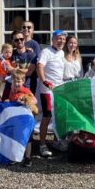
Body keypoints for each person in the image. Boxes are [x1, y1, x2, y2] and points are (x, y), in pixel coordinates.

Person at [36, 29, 67, 157]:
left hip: (59, 89)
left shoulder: (61, 53)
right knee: (47, 116)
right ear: (53, 39)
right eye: (59, 38)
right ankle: (42, 144)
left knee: (58, 116)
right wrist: (44, 81)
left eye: (63, 39)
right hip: (47, 90)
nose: (61, 41)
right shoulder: (46, 51)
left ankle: (56, 141)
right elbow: (39, 66)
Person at [5, 69, 38, 167]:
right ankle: (15, 156)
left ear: (23, 81)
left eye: (19, 81)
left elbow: (35, 100)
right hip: (16, 119)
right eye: (15, 81)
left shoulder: (25, 90)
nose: (17, 83)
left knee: (28, 139)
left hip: (26, 120)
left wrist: (25, 101)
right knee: (15, 137)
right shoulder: (12, 91)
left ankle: (27, 157)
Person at [1, 29, 37, 100]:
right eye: (16, 40)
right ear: (13, 41)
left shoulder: (32, 55)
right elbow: (1, 60)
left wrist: (13, 69)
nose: (19, 41)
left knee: (26, 108)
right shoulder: (10, 54)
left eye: (21, 39)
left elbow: (29, 72)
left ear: (24, 39)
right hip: (10, 87)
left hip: (26, 87)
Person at [21, 20, 41, 93]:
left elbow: (37, 61)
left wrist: (32, 53)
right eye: (24, 27)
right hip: (18, 78)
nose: (26, 29)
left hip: (30, 78)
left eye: (29, 27)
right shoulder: (18, 42)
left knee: (29, 101)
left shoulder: (34, 44)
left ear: (32, 30)